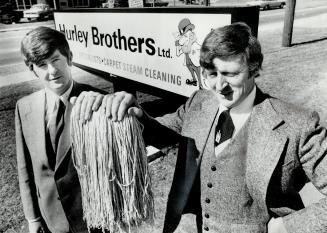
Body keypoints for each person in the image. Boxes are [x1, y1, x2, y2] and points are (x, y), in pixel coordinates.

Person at [75, 22, 327, 233]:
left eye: (230, 74)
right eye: (211, 74)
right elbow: (164, 133)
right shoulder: (199, 102)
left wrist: (287, 227)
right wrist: (135, 115)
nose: (219, 86)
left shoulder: (298, 125)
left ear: (253, 68)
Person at [15, 26, 105, 233]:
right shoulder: (24, 107)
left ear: (69, 58)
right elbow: (26, 168)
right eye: (42, 65)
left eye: (56, 60)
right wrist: (33, 218)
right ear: (33, 69)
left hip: (93, 218)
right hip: (50, 219)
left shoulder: (98, 101)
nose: (52, 71)